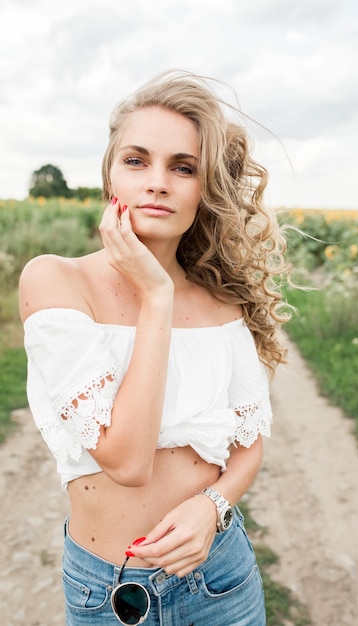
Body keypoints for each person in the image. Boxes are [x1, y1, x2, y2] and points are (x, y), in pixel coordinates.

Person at [19, 70, 291, 625]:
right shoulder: (56, 281)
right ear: (110, 177)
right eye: (137, 160)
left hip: (222, 579)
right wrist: (156, 298)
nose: (158, 182)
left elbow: (248, 445)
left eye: (183, 167)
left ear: (203, 190)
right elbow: (127, 460)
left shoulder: (221, 304)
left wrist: (212, 507)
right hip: (110, 594)